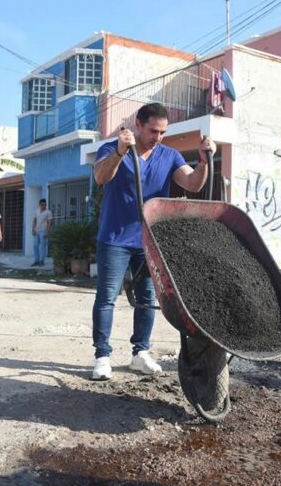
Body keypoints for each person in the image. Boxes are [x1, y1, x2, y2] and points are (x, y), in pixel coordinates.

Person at [90, 102, 215, 381]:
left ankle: (140, 353)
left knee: (147, 297)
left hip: (150, 240)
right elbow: (100, 176)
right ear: (138, 125)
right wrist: (121, 153)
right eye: (152, 131)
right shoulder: (112, 148)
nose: (157, 137)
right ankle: (102, 356)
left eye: (162, 132)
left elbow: (193, 183)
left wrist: (204, 161)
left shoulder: (169, 155)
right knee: (107, 298)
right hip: (115, 238)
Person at [31, 198, 53, 267]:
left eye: (45, 205)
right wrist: (33, 229)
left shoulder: (48, 212)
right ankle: (36, 260)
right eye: (42, 205)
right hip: (36, 231)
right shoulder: (36, 211)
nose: (44, 206)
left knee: (42, 246)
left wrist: (47, 231)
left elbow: (50, 223)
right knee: (35, 245)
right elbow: (34, 220)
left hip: (43, 231)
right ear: (39, 205)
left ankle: (41, 261)